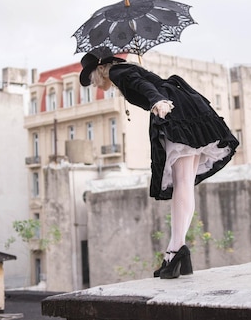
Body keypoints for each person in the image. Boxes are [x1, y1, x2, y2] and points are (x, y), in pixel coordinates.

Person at [79, 46, 239, 279]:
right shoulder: (126, 70)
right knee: (184, 184)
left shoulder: (117, 73)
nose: (93, 84)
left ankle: (175, 251)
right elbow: (146, 83)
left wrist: (157, 102)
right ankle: (176, 251)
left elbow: (146, 87)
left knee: (182, 183)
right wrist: (156, 97)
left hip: (174, 110)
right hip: (183, 107)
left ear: (100, 69)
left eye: (92, 77)